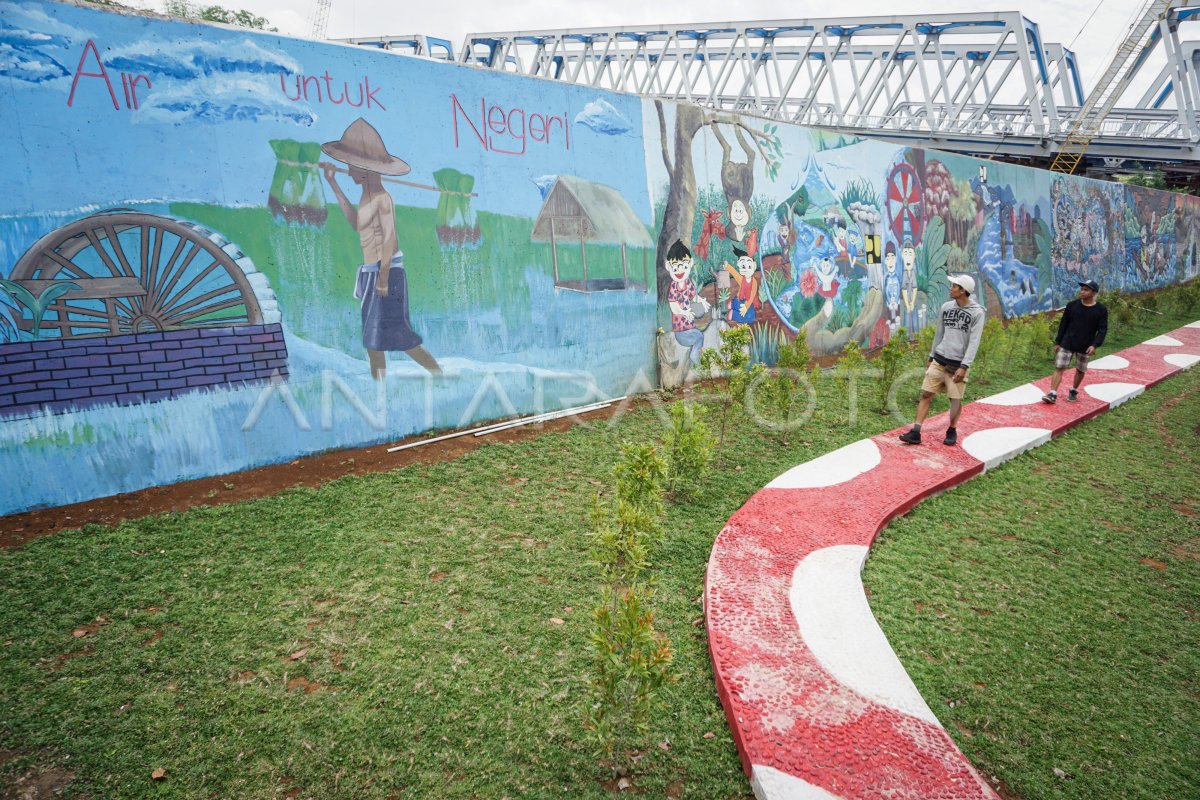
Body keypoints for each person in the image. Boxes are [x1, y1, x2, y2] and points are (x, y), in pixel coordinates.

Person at [321, 117, 441, 380]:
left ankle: (438, 375)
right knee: (373, 340)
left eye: (351, 167)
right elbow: (356, 224)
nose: (349, 171)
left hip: (386, 275)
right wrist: (332, 183)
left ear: (365, 170)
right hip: (371, 274)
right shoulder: (366, 196)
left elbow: (389, 239)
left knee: (402, 338)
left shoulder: (382, 199)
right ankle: (381, 388)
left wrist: (384, 279)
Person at [899, 274, 985, 446]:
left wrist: (964, 366)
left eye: (954, 286)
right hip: (940, 359)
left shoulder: (977, 313)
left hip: (958, 364)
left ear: (963, 291)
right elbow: (939, 333)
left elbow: (974, 341)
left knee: (954, 399)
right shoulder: (946, 307)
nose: (950, 288)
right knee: (926, 393)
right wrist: (931, 356)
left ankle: (952, 430)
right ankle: (916, 432)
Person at [1042, 279, 1108, 404]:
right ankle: (1052, 393)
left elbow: (1102, 330)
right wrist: (1058, 342)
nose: (1082, 292)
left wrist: (1094, 345)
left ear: (1093, 293)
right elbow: (1063, 324)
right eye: (1082, 289)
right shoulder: (1072, 305)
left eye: (1086, 290)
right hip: (1067, 342)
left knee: (1080, 370)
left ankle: (1073, 389)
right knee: (1059, 367)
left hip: (1086, 345)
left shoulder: (1101, 310)